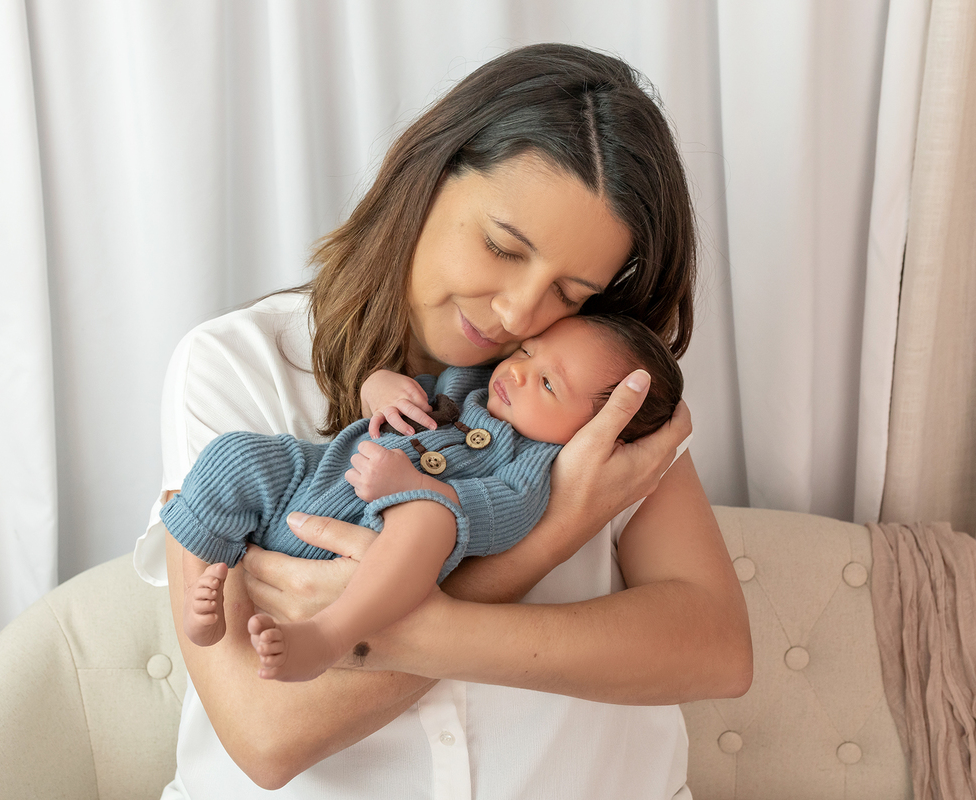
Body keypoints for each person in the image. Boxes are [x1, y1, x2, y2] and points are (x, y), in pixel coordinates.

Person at [134, 42, 751, 799]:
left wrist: (410, 626)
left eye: (572, 289)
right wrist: (549, 535)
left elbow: (716, 649)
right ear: (423, 179)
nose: (522, 313)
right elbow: (268, 734)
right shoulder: (238, 363)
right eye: (501, 246)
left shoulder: (592, 385)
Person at [163, 314, 684, 683]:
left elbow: (507, 511)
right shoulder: (471, 384)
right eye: (528, 350)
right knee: (234, 456)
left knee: (429, 521)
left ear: (594, 433)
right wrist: (379, 389)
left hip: (378, 539)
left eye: (548, 384)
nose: (520, 370)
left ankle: (327, 637)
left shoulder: (537, 460)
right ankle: (198, 600)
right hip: (314, 481)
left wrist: (414, 489)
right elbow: (404, 391)